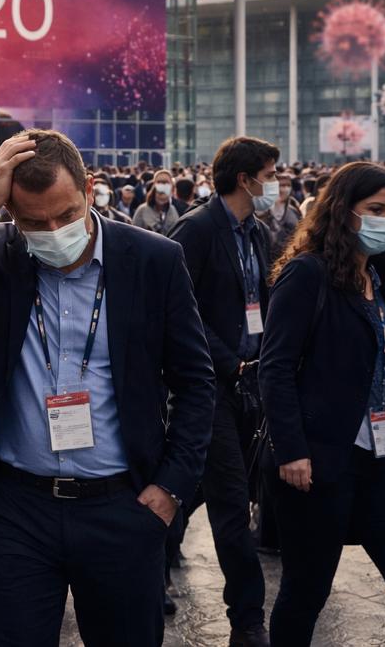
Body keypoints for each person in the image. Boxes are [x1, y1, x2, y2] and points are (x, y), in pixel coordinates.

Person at [0, 131, 215, 645]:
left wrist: (170, 488)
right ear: (12, 215)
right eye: (34, 222)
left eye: (66, 215)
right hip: (15, 510)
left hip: (121, 505)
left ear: (89, 188)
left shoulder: (154, 260)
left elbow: (196, 382)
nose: (54, 232)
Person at [259, 161, 385, 646]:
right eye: (375, 209)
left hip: (380, 463)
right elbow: (275, 368)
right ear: (344, 211)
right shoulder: (307, 274)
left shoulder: (383, 278)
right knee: (305, 595)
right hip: (318, 463)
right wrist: (291, 450)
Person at [169, 136, 280, 646]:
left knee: (199, 487)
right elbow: (181, 311)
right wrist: (228, 360)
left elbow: (260, 300)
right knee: (232, 501)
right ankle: (247, 619)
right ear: (244, 179)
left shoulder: (257, 232)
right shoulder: (196, 230)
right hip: (209, 384)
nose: (275, 184)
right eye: (270, 175)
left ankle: (154, 549)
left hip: (250, 383)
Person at [132, 170, 180, 235]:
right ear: (154, 185)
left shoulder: (174, 209)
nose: (163, 185)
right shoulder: (142, 210)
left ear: (171, 185)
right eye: (159, 182)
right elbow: (133, 234)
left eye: (166, 182)